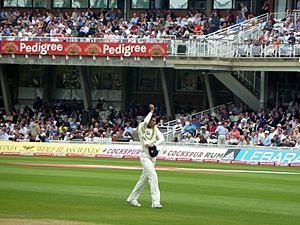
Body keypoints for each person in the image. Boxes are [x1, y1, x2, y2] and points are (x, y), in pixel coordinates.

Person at [126, 104, 165, 209]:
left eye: (155, 121)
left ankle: (132, 198)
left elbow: (162, 139)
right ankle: (155, 202)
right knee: (153, 177)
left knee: (143, 179)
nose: (154, 123)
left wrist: (153, 144)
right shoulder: (142, 127)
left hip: (153, 156)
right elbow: (146, 121)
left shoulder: (155, 129)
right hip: (145, 156)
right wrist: (151, 112)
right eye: (153, 121)